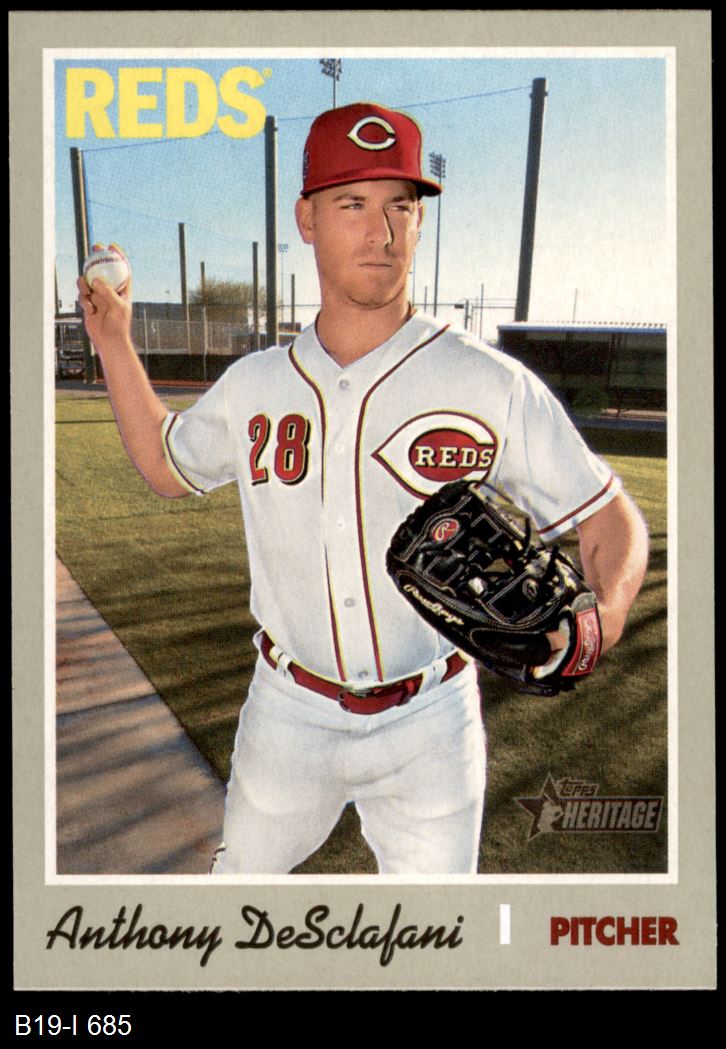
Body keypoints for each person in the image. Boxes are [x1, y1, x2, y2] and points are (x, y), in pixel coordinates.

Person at [77, 101, 649, 875]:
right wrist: (113, 339)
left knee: (436, 929)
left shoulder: (487, 381)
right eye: (352, 203)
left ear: (419, 220)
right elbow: (164, 462)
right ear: (306, 219)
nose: (381, 232)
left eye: (400, 206)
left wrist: (603, 614)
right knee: (239, 898)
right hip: (287, 712)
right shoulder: (255, 383)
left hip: (434, 720)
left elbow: (608, 516)